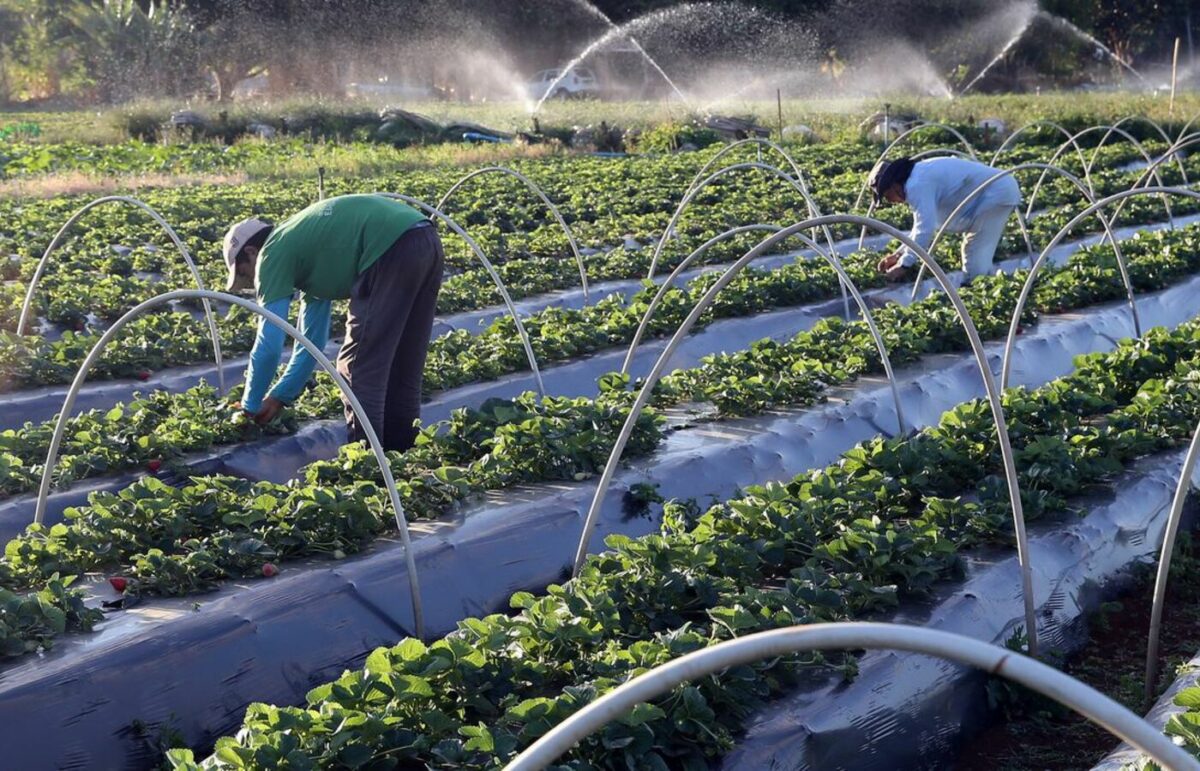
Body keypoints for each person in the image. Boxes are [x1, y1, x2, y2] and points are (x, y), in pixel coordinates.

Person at [223, 193, 443, 452]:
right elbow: (311, 343)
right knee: (403, 363)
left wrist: (249, 406)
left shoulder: (272, 253)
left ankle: (369, 464)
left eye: (245, 273)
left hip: (389, 246)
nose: (250, 282)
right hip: (424, 238)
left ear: (251, 252)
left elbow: (270, 343)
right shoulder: (305, 250)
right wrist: (280, 396)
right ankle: (402, 456)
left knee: (357, 367)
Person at [869, 156, 1023, 283]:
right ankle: (984, 285)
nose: (892, 201)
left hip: (997, 193)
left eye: (888, 196)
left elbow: (925, 229)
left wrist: (904, 265)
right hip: (996, 190)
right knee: (976, 250)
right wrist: (898, 255)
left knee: (974, 250)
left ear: (895, 184)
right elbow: (920, 227)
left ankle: (978, 292)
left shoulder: (917, 185)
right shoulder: (919, 175)